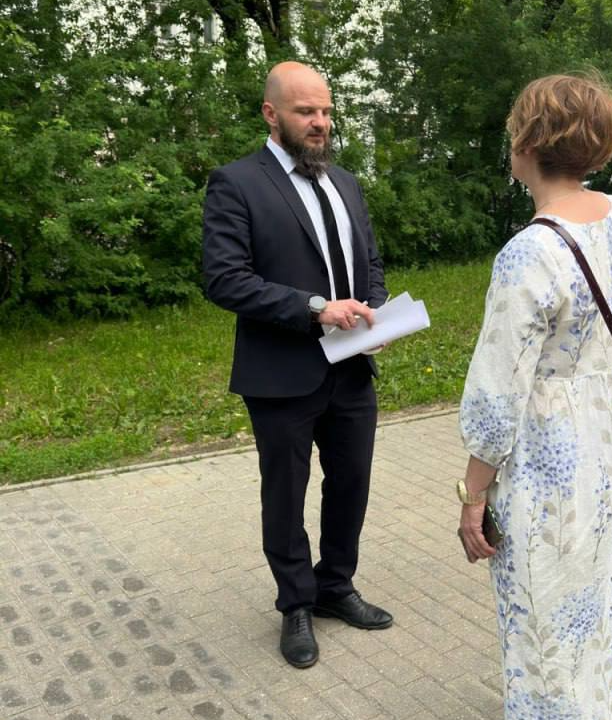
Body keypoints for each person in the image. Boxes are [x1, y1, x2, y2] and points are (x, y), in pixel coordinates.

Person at [457, 74, 612, 718]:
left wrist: (472, 497)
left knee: (548, 622)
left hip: (547, 467)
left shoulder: (527, 253)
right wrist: (601, 353)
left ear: (529, 144)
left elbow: (496, 399)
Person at [203, 61, 393, 670]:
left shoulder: (346, 182)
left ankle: (336, 585)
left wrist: (376, 313)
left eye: (327, 111)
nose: (320, 122)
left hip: (351, 369)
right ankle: (296, 604)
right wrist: (316, 309)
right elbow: (225, 279)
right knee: (286, 494)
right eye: (306, 111)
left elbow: (370, 262)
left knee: (352, 483)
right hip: (281, 372)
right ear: (271, 114)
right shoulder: (237, 183)